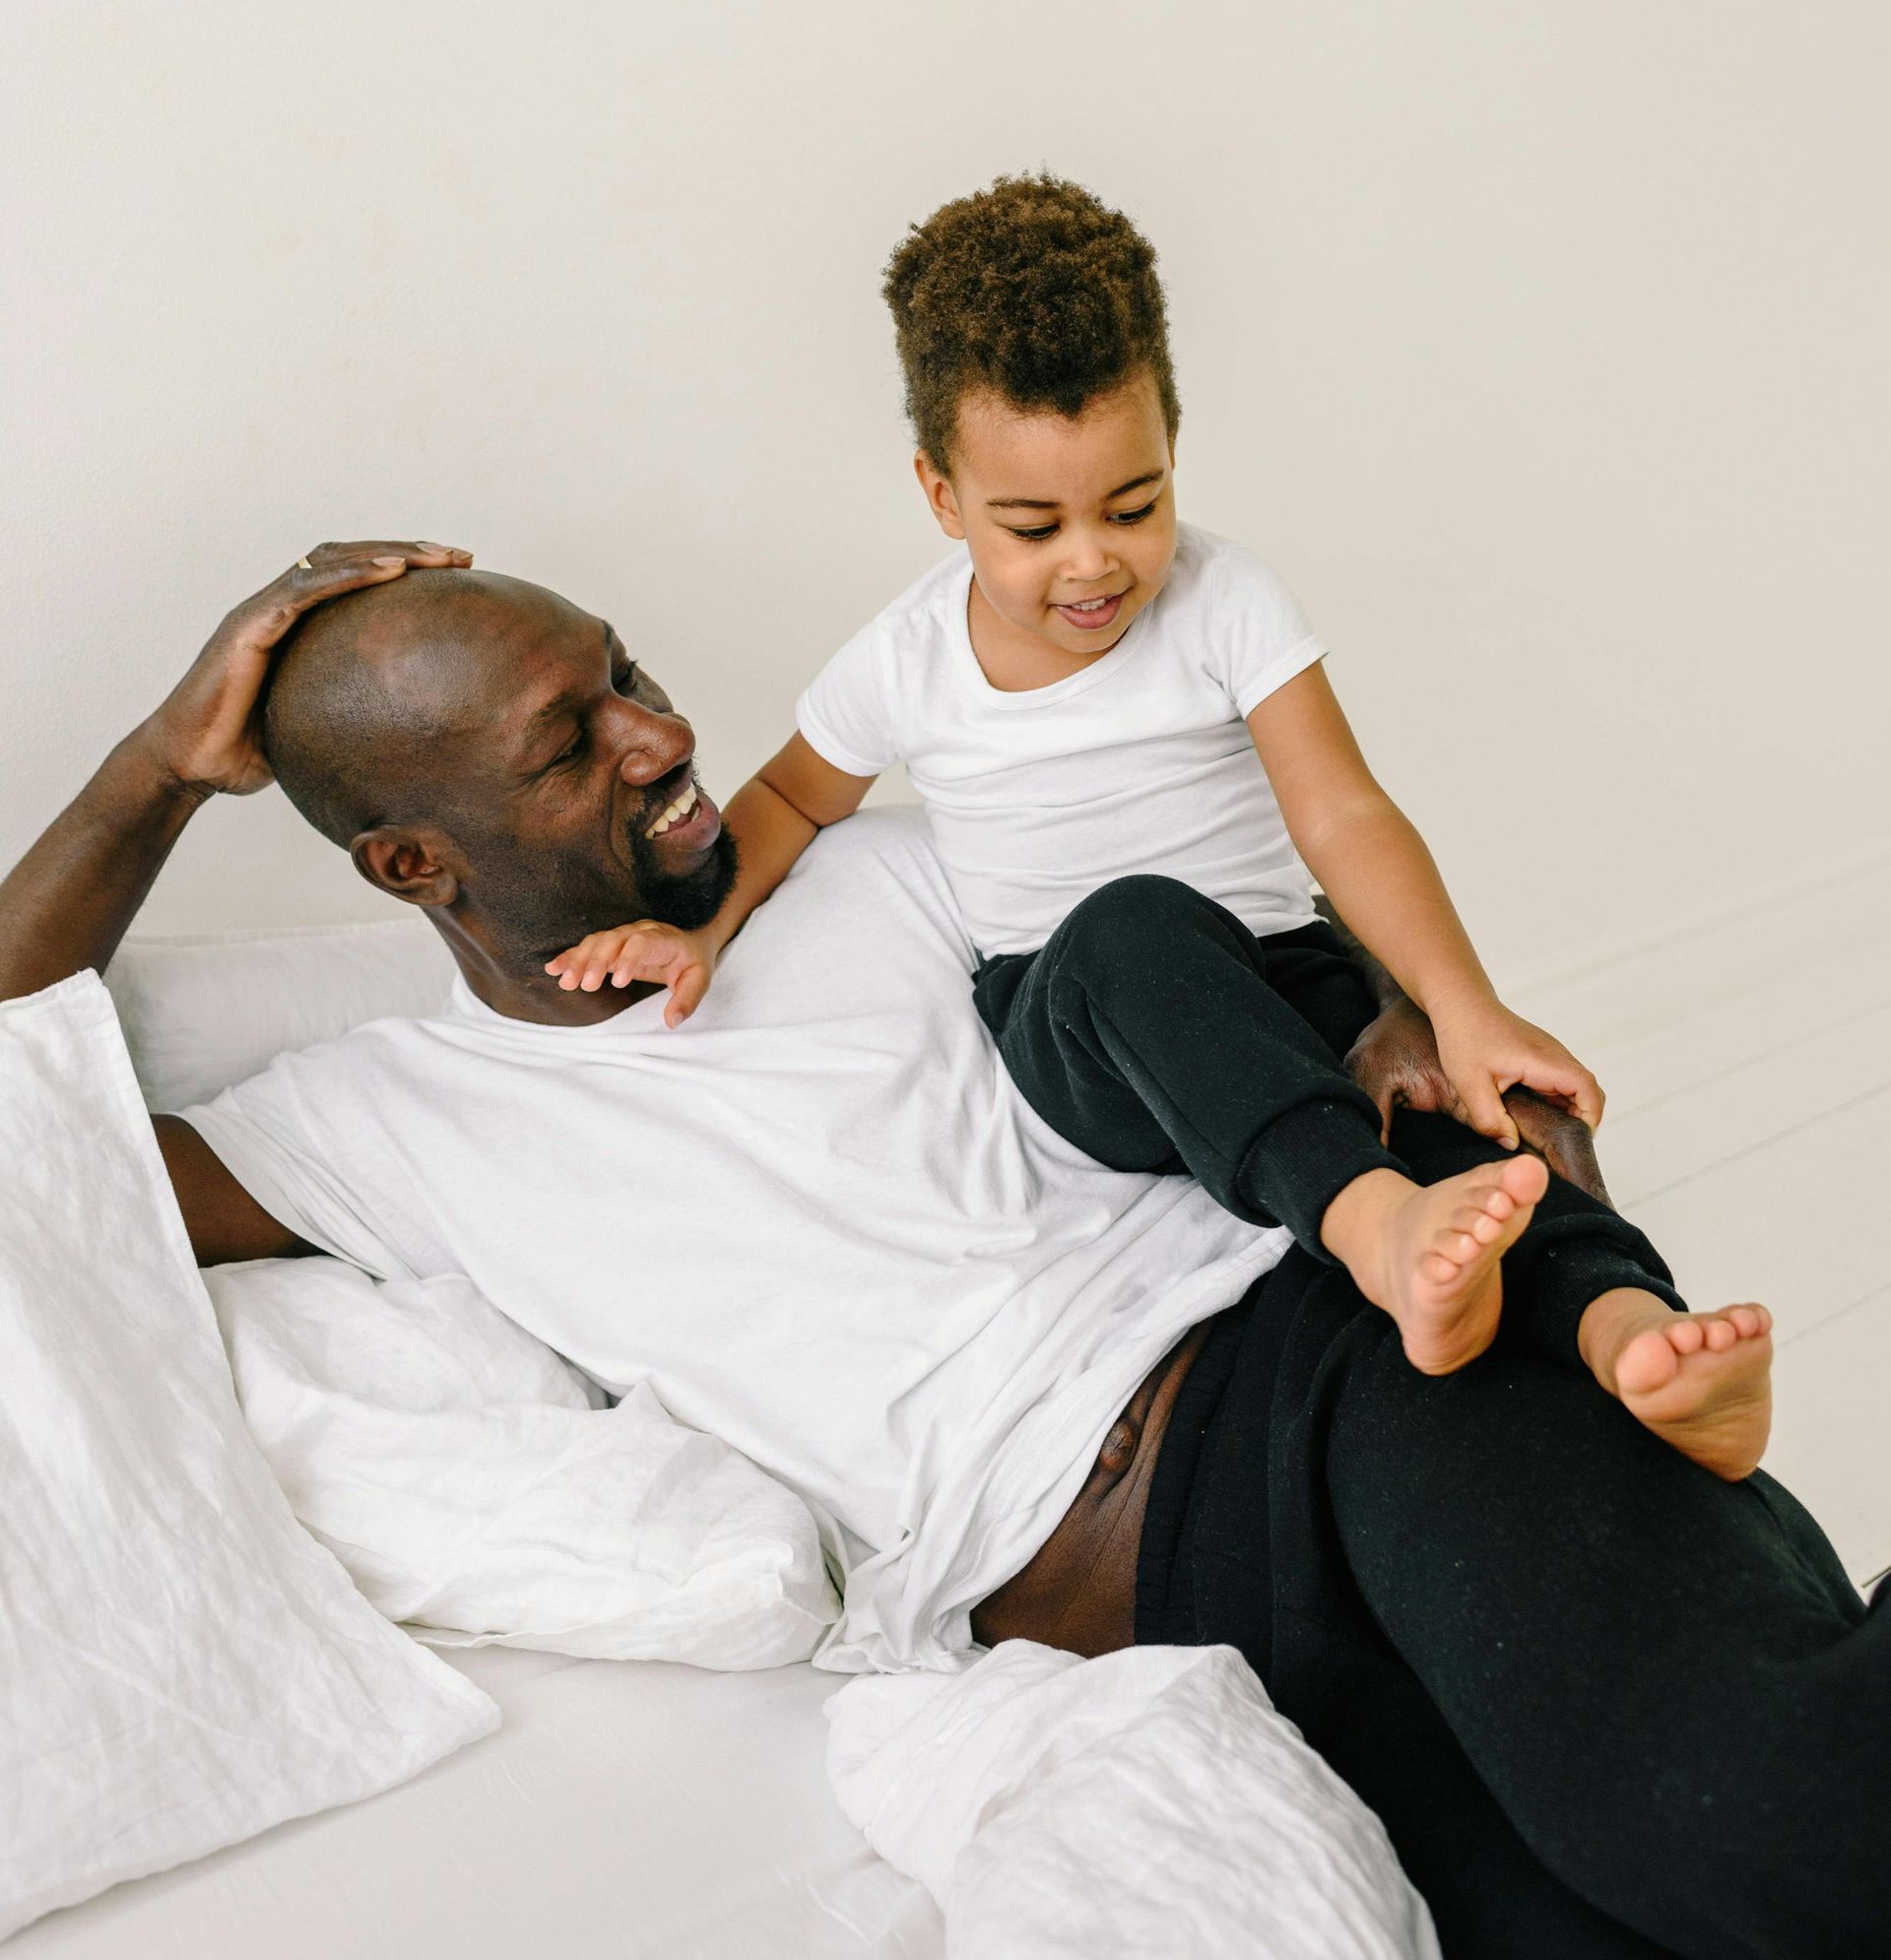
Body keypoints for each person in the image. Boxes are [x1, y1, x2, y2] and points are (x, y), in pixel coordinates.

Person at [1, 542, 1882, 1960]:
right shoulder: (372, 1127)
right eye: (569, 747)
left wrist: (1403, 1029)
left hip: (1349, 1381)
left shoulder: (896, 872)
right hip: (1149, 1640)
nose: (664, 738)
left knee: (1780, 1841)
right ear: (417, 864)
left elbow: (1235, 954)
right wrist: (153, 770)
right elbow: (10, 1121)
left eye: (627, 675)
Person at [546, 178, 1772, 1463]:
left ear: (1174, 445)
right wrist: (704, 929)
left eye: (1134, 506)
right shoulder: (905, 660)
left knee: (1464, 1108)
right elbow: (796, 794)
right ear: (941, 493)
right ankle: (1370, 1228)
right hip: (1082, 1019)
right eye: (1034, 526)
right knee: (1133, 928)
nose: (1092, 562)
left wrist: (1461, 1006)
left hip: (1271, 977)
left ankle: (1630, 1337)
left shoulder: (1228, 601)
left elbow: (1342, 814)